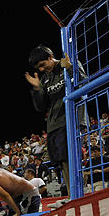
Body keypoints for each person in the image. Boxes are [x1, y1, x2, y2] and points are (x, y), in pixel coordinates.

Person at [25, 45, 83, 193]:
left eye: (42, 65)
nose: (42, 70)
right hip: (53, 125)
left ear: (50, 57)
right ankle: (73, 194)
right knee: (61, 162)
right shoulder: (45, 79)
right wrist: (37, 89)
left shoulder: (68, 64)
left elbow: (83, 82)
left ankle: (77, 194)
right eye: (39, 68)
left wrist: (70, 68)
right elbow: (40, 107)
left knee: (71, 159)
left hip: (70, 119)